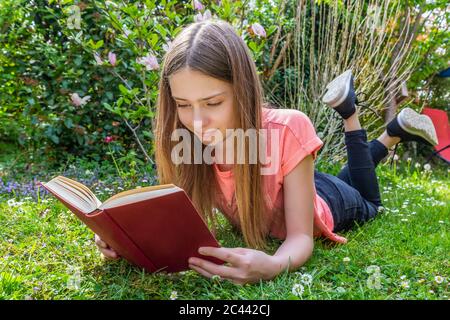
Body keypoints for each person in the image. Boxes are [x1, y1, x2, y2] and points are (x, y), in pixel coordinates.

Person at [94, 19, 438, 285]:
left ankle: (360, 118)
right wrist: (126, 238)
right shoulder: (185, 139)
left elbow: (301, 237)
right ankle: (392, 132)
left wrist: (274, 264)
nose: (197, 121)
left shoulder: (288, 128)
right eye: (183, 104)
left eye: (213, 102)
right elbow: (175, 221)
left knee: (369, 201)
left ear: (242, 91)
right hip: (293, 182)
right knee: (347, 175)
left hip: (330, 202)